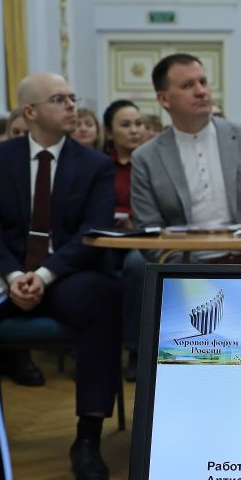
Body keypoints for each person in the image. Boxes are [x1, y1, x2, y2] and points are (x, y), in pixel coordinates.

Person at [0, 71, 122, 480]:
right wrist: (15, 274)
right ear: (30, 112)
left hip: (68, 273)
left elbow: (94, 231)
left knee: (102, 299)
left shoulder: (95, 164)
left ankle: (87, 438)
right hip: (7, 273)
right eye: (58, 99)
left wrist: (45, 275)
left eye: (72, 97)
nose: (71, 106)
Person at [130, 53, 241, 262]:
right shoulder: (146, 158)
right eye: (188, 85)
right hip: (184, 269)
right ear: (164, 99)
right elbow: (149, 228)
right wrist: (183, 269)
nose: (201, 91)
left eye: (203, 82)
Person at [102, 99, 145, 381]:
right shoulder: (99, 165)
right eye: (126, 125)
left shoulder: (152, 162)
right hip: (107, 236)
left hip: (142, 238)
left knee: (138, 266)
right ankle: (94, 350)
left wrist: (135, 222)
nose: (134, 130)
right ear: (109, 132)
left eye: (138, 124)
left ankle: (136, 350)